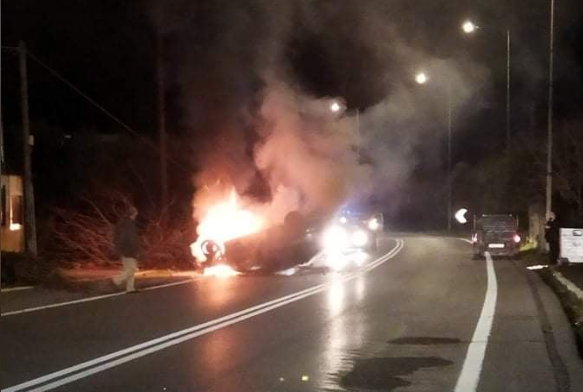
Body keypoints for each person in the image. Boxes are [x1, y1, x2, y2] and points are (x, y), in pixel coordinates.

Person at [113, 206, 140, 293]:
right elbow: (131, 238)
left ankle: (130, 288)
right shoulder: (130, 224)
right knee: (132, 269)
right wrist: (135, 250)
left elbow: (117, 236)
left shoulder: (122, 223)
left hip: (122, 249)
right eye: (136, 213)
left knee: (128, 269)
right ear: (134, 213)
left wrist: (118, 248)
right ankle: (116, 280)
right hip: (129, 249)